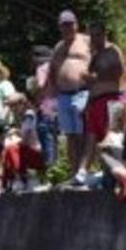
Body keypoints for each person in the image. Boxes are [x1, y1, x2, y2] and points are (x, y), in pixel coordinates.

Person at [48, 10, 92, 181]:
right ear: (60, 27)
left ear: (76, 24)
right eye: (64, 25)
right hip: (64, 95)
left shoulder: (87, 41)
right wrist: (52, 90)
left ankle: (84, 171)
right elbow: (52, 70)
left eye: (70, 24)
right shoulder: (58, 47)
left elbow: (99, 61)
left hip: (82, 92)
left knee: (83, 134)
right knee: (70, 136)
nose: (68, 28)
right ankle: (75, 173)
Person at [83, 21, 125, 175]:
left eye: (98, 35)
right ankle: (84, 172)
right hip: (95, 101)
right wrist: (88, 102)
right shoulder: (94, 55)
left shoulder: (113, 50)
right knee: (92, 139)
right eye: (92, 36)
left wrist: (95, 77)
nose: (95, 39)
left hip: (112, 99)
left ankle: (116, 171)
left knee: (112, 138)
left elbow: (118, 73)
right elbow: (89, 81)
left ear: (104, 34)